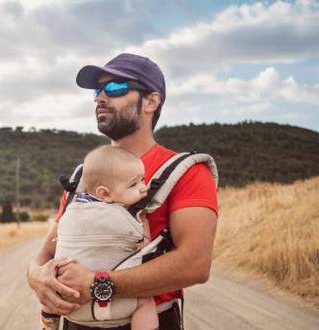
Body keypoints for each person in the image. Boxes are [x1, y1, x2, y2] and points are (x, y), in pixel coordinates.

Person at [28, 53, 218, 330]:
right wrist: (36, 276)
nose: (100, 97)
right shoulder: (84, 175)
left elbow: (195, 264)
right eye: (97, 90)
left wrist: (95, 284)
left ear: (151, 101)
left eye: (115, 87)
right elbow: (46, 251)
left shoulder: (187, 172)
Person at [41, 145, 158, 330]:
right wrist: (144, 224)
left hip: (71, 304)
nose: (144, 188)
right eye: (134, 184)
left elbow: (53, 248)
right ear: (105, 194)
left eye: (143, 180)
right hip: (123, 304)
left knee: (55, 281)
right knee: (147, 302)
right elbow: (145, 250)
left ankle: (48, 319)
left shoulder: (72, 208)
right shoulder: (127, 217)